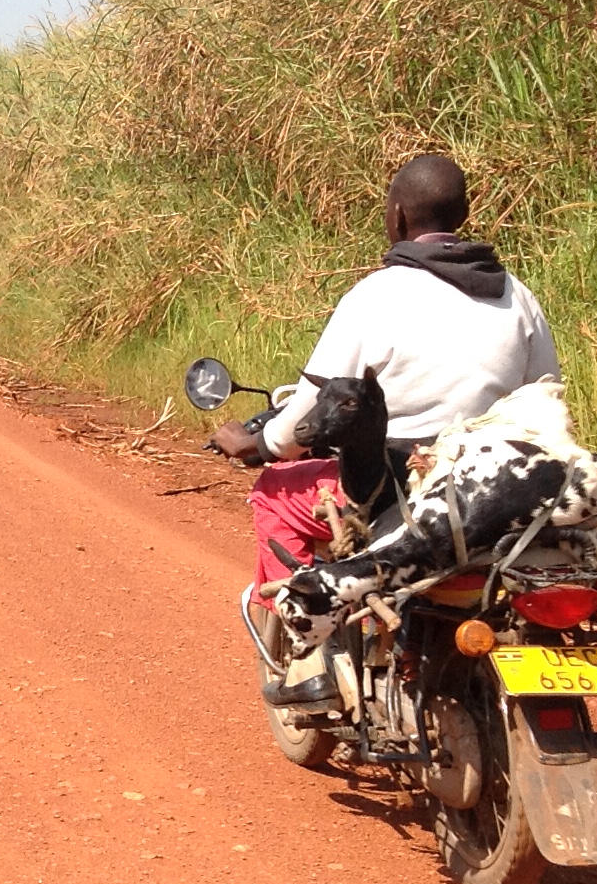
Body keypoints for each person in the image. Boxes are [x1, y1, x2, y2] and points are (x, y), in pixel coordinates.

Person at [213, 153, 559, 593]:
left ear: (396, 216)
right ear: (465, 215)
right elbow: (545, 401)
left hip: (394, 489)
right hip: (494, 490)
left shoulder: (376, 295)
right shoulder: (518, 296)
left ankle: (300, 640)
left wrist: (258, 443)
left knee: (273, 493)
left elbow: (309, 410)